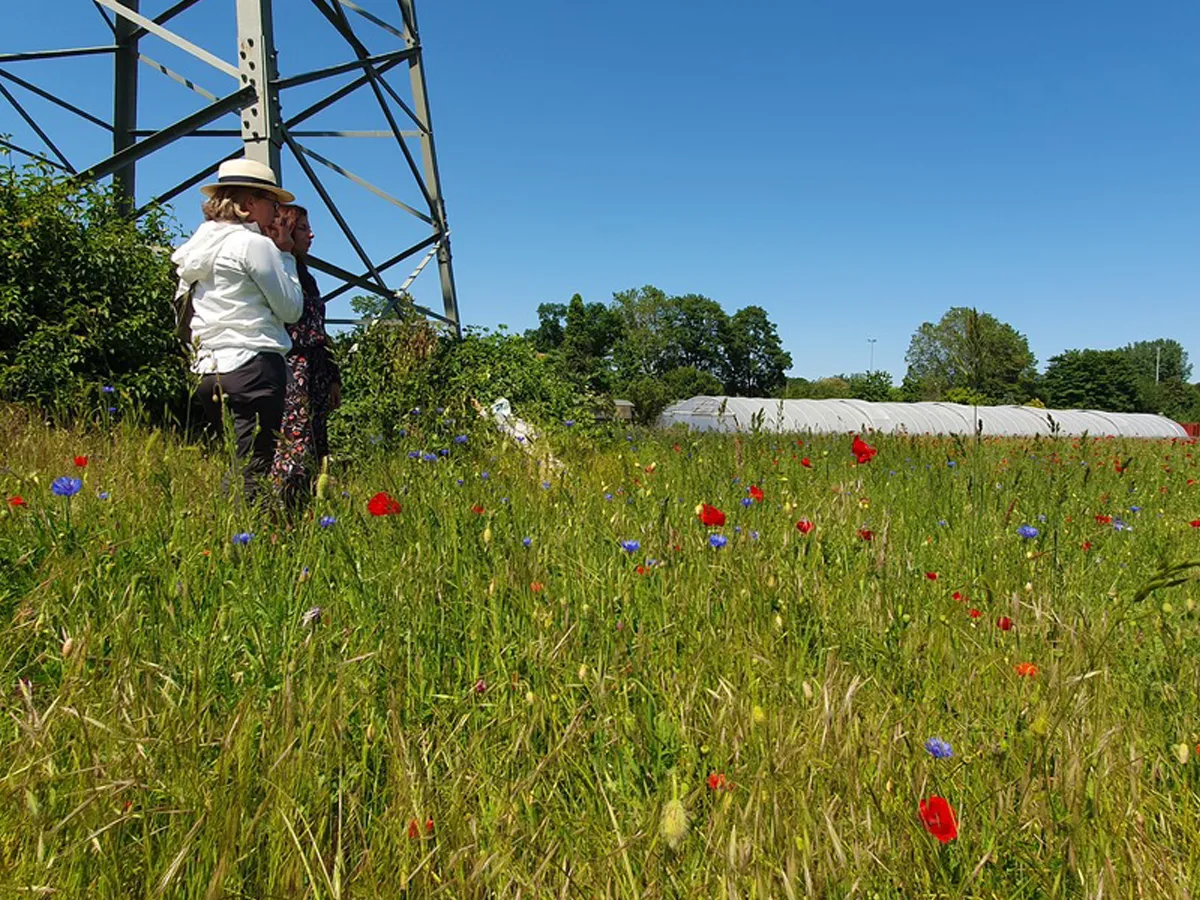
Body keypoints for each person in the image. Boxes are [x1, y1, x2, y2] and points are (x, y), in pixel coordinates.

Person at [172, 158, 303, 505]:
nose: (277, 213)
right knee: (254, 467)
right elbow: (291, 309)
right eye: (272, 203)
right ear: (248, 205)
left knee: (238, 459)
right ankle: (242, 543)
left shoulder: (195, 248)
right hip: (253, 365)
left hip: (208, 368)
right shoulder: (253, 245)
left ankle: (235, 535)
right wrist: (286, 254)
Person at [270, 203, 342, 509]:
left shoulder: (305, 275)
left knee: (315, 446)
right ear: (284, 229)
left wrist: (334, 377)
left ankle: (306, 513)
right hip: (291, 369)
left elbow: (320, 332)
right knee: (292, 448)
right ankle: (282, 512)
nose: (311, 235)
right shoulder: (278, 269)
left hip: (314, 371)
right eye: (303, 228)